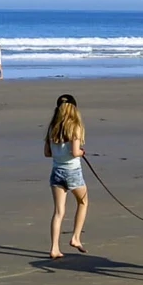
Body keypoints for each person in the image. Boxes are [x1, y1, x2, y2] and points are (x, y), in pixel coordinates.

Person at [44, 92, 88, 258]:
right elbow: (75, 151)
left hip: (56, 171)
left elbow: (47, 153)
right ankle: (75, 237)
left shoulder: (52, 128)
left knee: (58, 212)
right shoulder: (75, 126)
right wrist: (81, 152)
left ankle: (54, 248)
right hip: (73, 171)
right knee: (83, 202)